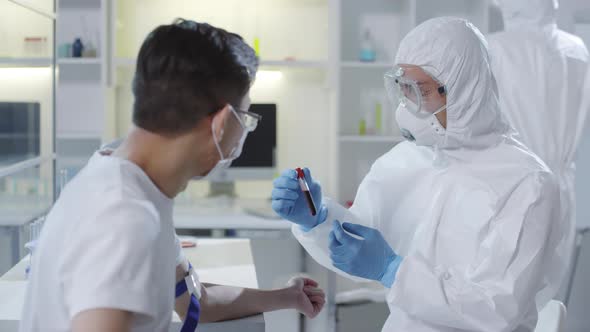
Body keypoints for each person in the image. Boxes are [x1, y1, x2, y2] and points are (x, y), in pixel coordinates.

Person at [20, 19, 325, 332]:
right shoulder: (124, 218)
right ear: (221, 123)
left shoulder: (130, 180)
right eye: (245, 118)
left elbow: (198, 301)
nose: (244, 133)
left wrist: (287, 297)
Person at [272, 17, 564, 331]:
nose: (408, 105)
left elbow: (494, 310)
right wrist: (318, 219)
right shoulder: (406, 159)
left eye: (420, 91)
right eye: (404, 89)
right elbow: (362, 248)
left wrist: (392, 270)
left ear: (464, 88)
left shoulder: (527, 183)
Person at [488, 0, 590, 292]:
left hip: (514, 188)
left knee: (509, 292)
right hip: (562, 188)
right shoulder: (577, 49)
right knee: (548, 291)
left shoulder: (494, 48)